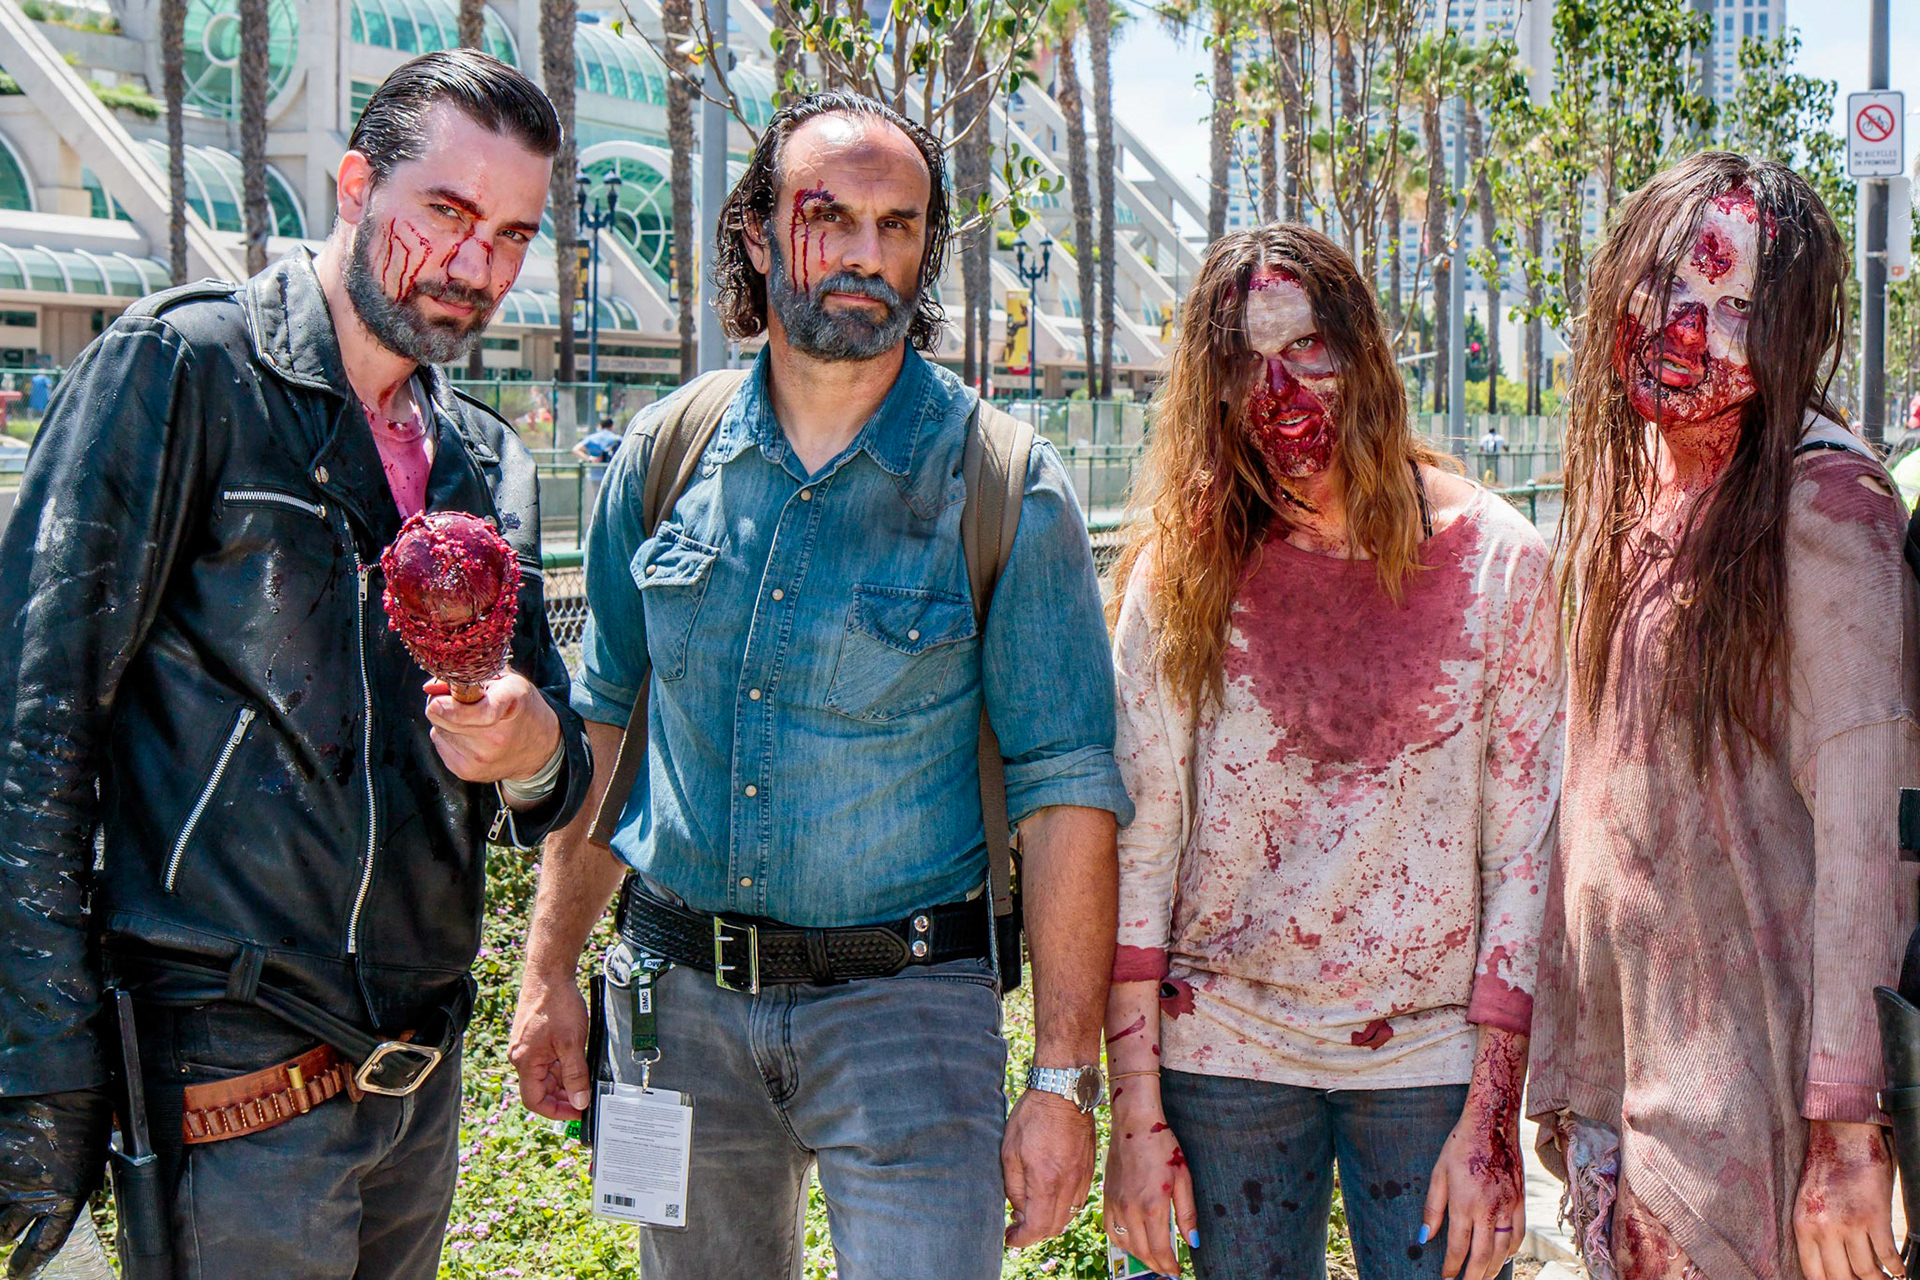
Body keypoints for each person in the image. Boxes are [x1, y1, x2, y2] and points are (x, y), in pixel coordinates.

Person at [507, 91, 1133, 1278]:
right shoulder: (663, 455)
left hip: (908, 1014)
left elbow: (1067, 795)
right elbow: (604, 732)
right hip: (677, 1006)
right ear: (752, 232)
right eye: (827, 216)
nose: (863, 254)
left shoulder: (1003, 484)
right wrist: (546, 974)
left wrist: (1060, 1079)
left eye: (898, 226)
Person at [0, 50, 591, 1280]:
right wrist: (42, 1066)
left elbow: (554, 774)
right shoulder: (186, 372)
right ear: (354, 185)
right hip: (229, 1082)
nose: (475, 265)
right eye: (446, 212)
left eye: (513, 235)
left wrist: (533, 748)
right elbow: (31, 724)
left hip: (416, 1088)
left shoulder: (483, 465)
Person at [1101, 224, 1562, 1280]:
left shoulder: (1501, 564)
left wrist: (1492, 1115)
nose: (1281, 393)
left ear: (1364, 353)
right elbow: (1140, 852)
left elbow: (1524, 860)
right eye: (1244, 363)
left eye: (1308, 348)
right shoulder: (1183, 572)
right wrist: (1135, 1120)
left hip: (1429, 1059)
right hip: (1216, 1050)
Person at [1527, 152, 1918, 1280]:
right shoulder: (1633, 492)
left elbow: (1868, 830)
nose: (1690, 329)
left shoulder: (1822, 503)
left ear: (1791, 332)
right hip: (1631, 1100)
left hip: (1754, 1124)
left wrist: (1849, 1127)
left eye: (1738, 306)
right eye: (1671, 285)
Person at [573, 412, 624, 482]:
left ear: (600, 426)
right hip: (613, 476)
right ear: (611, 426)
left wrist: (589, 459)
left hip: (595, 476)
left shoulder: (592, 438)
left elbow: (576, 450)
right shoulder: (617, 439)